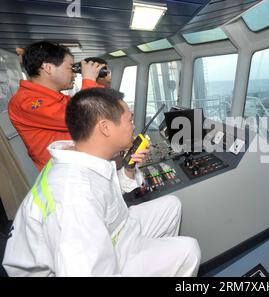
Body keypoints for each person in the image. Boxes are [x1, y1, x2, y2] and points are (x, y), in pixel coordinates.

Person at [2, 88, 201, 276]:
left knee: (170, 205)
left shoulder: (82, 155)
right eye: (129, 119)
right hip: (88, 261)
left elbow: (107, 194)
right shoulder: (73, 196)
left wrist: (129, 167)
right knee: (188, 249)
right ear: (105, 128)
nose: (133, 125)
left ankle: (152, 259)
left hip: (110, 232)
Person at [8, 41, 106, 171]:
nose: (75, 73)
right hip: (63, 175)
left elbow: (97, 111)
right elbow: (80, 117)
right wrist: (88, 80)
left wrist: (97, 82)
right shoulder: (25, 101)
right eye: (70, 67)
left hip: (79, 166)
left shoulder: (57, 98)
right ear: (48, 68)